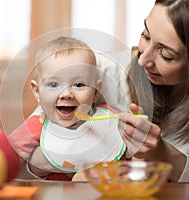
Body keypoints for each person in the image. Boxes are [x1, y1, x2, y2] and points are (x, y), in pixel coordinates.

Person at [119, 0, 189, 182]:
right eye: (145, 35)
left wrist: (165, 155)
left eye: (166, 55)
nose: (142, 60)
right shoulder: (118, 74)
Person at [9, 36, 126, 181]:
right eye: (53, 84)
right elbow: (9, 162)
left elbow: (127, 158)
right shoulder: (36, 125)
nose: (66, 94)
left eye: (78, 85)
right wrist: (33, 168)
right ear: (37, 92)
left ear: (95, 92)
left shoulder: (110, 119)